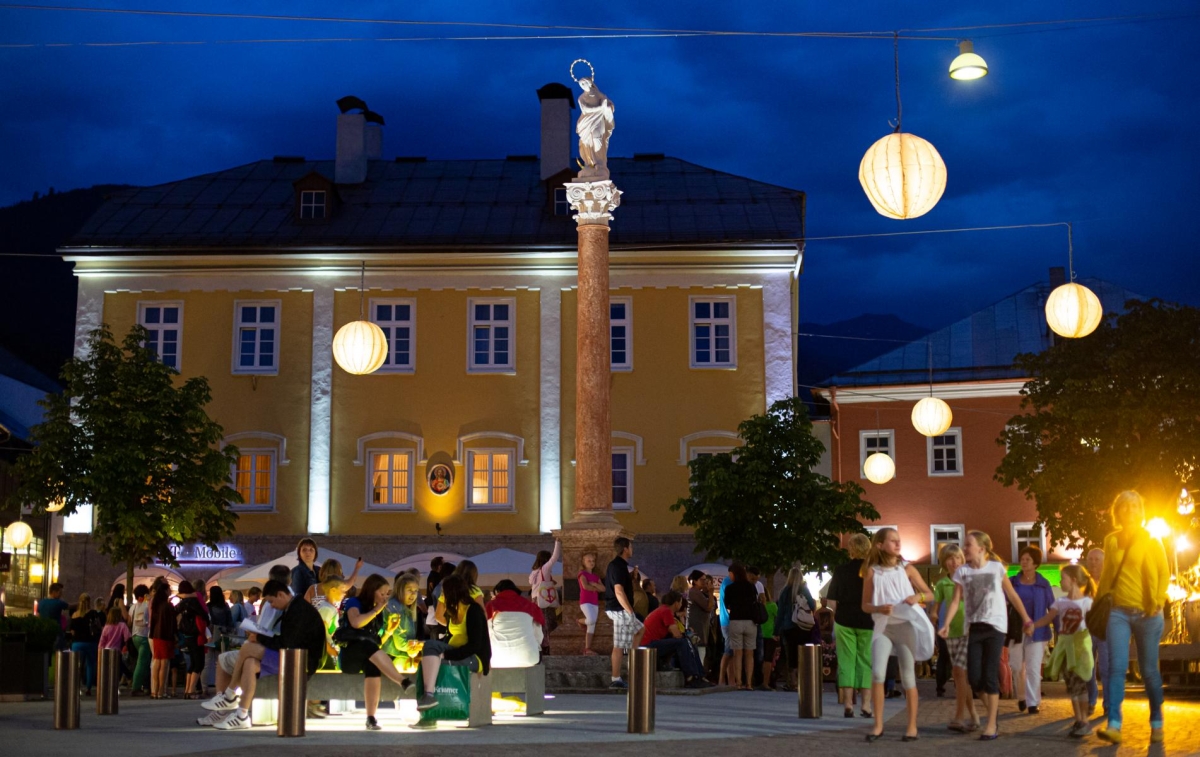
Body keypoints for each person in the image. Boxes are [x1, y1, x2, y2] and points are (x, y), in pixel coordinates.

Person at [940, 530, 1033, 741]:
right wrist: (945, 624)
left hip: (995, 627)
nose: (964, 549)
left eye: (968, 545)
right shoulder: (962, 572)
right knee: (974, 678)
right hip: (974, 627)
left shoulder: (996, 569)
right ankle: (992, 710)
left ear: (981, 548)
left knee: (990, 676)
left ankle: (991, 725)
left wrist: (1026, 619)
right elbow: (955, 600)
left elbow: (1012, 595)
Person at [1096, 490, 1169, 745]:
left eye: (1134, 507)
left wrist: (1158, 601)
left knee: (1149, 671)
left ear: (1141, 512)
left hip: (1148, 614)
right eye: (1124, 507)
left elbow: (1163, 573)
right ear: (1118, 512)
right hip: (1118, 612)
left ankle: (1157, 719)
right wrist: (1098, 605)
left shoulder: (1152, 540)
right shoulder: (1111, 540)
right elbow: (1107, 576)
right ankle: (1114, 723)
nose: (1129, 511)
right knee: (1116, 667)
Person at [207, 579, 326, 731]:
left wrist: (259, 637)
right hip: (295, 657)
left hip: (299, 661)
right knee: (250, 662)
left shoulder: (298, 610)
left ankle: (230, 695)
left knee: (248, 649)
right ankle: (241, 714)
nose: (271, 606)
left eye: (271, 601)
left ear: (281, 595)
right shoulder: (295, 608)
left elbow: (286, 643)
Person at [861, 527, 936, 743]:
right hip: (884, 626)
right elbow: (864, 605)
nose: (897, 543)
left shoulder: (908, 569)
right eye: (892, 540)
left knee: (908, 676)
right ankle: (878, 725)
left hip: (905, 626)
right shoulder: (872, 571)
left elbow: (930, 594)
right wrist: (877, 609)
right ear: (879, 545)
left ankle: (912, 727)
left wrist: (917, 596)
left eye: (898, 540)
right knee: (877, 674)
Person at [335, 573, 416, 730]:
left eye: (387, 594)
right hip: (348, 656)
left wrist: (389, 632)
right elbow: (356, 623)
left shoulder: (377, 612)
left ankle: (371, 718)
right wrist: (376, 611)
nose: (385, 597)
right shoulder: (354, 602)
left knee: (373, 665)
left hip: (365, 654)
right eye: (382, 593)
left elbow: (376, 643)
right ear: (372, 590)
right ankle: (402, 681)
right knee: (365, 645)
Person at [413, 574, 492, 718]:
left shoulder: (473, 610)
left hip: (474, 657)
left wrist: (446, 655)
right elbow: (451, 638)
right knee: (429, 646)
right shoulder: (453, 611)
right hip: (456, 650)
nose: (442, 596)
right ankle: (428, 695)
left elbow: (475, 645)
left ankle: (431, 713)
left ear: (452, 592)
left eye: (444, 592)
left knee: (437, 665)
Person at [1031, 564, 1096, 737]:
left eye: (1063, 578)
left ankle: (1084, 721)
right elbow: (1048, 617)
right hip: (1065, 648)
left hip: (1081, 648)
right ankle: (1078, 719)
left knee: (1080, 685)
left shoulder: (1087, 602)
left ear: (1073, 580)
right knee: (1072, 686)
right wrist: (1033, 625)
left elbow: (1094, 624)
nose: (1060, 581)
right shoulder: (1061, 602)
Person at [825, 535, 873, 718]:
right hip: (868, 621)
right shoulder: (872, 571)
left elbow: (831, 601)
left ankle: (848, 705)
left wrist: (840, 612)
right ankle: (866, 706)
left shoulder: (841, 570)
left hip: (844, 621)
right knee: (865, 662)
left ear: (851, 549)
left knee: (846, 662)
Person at [932, 544, 978, 733]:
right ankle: (973, 714)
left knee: (962, 674)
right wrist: (933, 618)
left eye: (958, 558)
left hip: (970, 631)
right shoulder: (943, 584)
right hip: (951, 633)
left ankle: (960, 716)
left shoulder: (971, 579)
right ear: (944, 563)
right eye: (950, 559)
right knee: (960, 676)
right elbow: (935, 607)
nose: (955, 562)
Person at [1009, 545, 1055, 714]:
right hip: (1016, 629)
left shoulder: (1043, 584)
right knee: (1016, 666)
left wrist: (1057, 629)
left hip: (1038, 631)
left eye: (1028, 559)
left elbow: (1052, 608)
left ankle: (1033, 702)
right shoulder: (1013, 582)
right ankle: (1021, 696)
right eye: (1022, 559)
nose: (1024, 562)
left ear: (1036, 563)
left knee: (1033, 667)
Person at [642, 590, 711, 688]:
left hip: (648, 643)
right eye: (681, 602)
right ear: (676, 603)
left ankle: (698, 675)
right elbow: (676, 634)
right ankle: (692, 676)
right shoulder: (666, 611)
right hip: (649, 644)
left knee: (685, 641)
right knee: (683, 642)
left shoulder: (661, 609)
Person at [603, 537, 644, 690]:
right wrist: (630, 611)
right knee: (619, 645)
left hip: (619, 608)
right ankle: (616, 678)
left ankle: (631, 667)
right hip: (619, 609)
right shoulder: (617, 566)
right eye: (631, 546)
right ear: (625, 548)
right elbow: (619, 591)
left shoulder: (620, 566)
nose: (632, 549)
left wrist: (633, 578)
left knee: (639, 630)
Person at [486, 579, 545, 669]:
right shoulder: (530, 606)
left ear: (497, 591)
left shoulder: (491, 606)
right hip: (529, 657)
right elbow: (539, 635)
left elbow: (486, 633)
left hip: (498, 658)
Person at [723, 563, 759, 690]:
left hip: (736, 621)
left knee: (737, 653)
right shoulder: (751, 587)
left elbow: (727, 605)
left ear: (734, 574)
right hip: (750, 622)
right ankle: (749, 683)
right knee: (749, 654)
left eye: (730, 573)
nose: (729, 576)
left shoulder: (730, 588)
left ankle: (738, 682)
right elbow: (755, 601)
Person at [175, 581, 210, 699]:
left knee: (191, 664)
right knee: (199, 663)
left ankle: (187, 690)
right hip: (197, 635)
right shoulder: (195, 600)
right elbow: (203, 615)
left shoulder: (182, 603)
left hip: (187, 635)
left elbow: (175, 611)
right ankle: (191, 691)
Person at [382, 574, 421, 675]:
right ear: (400, 589)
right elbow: (401, 643)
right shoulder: (396, 608)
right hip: (394, 659)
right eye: (409, 590)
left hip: (395, 659)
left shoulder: (403, 608)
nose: (413, 594)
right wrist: (421, 646)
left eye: (416, 591)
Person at [1085, 547, 1107, 717]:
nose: (1093, 562)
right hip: (1087, 631)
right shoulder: (1082, 582)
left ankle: (1108, 702)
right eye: (1090, 559)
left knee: (1107, 669)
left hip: (1106, 631)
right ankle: (1091, 700)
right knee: (1088, 668)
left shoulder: (1109, 582)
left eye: (1096, 559)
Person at [148, 579, 177, 699]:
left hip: (155, 635)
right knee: (164, 664)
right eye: (169, 590)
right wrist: (174, 637)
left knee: (157, 662)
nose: (170, 591)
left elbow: (153, 622)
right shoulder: (168, 606)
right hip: (165, 636)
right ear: (165, 591)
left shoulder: (156, 605)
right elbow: (173, 623)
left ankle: (155, 691)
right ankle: (161, 691)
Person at [530, 540, 562, 650]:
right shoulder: (545, 569)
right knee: (549, 624)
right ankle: (550, 646)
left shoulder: (534, 572)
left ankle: (540, 646)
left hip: (534, 601)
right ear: (546, 560)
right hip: (544, 601)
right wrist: (558, 542)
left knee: (538, 624)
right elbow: (555, 557)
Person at [68, 593, 102, 696]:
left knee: (76, 666)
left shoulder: (74, 614)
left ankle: (75, 686)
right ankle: (88, 688)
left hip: (77, 643)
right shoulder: (93, 613)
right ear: (89, 601)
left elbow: (72, 631)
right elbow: (98, 627)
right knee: (90, 665)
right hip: (90, 642)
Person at [576, 551, 604, 656]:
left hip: (594, 602)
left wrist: (595, 585)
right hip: (585, 601)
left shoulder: (596, 577)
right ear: (584, 562)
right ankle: (579, 620)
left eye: (593, 561)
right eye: (589, 561)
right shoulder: (582, 574)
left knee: (592, 625)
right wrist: (595, 588)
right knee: (591, 620)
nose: (591, 563)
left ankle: (587, 649)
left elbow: (603, 588)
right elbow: (585, 586)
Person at [685, 570, 714, 665]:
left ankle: (698, 674)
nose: (705, 582)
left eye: (706, 580)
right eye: (702, 580)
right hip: (696, 628)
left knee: (699, 651)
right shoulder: (694, 592)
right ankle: (698, 675)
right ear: (695, 581)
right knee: (699, 651)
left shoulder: (697, 592)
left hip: (697, 627)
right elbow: (708, 607)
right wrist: (710, 592)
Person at [130, 584, 152, 696]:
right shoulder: (147, 605)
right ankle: (136, 687)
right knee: (142, 662)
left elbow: (129, 621)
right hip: (144, 636)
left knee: (142, 662)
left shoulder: (133, 607)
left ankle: (145, 685)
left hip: (134, 636)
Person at [37, 583, 69, 650]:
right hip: (56, 631)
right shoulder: (58, 602)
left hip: (44, 631)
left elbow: (38, 615)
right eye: (59, 592)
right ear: (54, 592)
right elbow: (68, 606)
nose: (61, 595)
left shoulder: (41, 602)